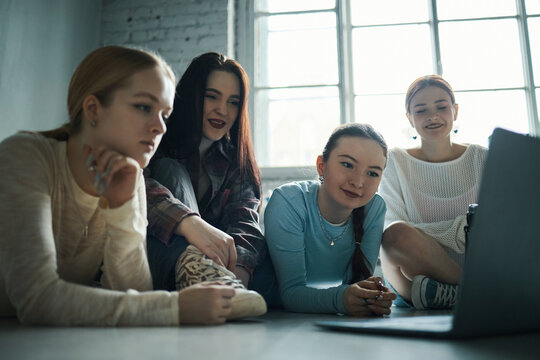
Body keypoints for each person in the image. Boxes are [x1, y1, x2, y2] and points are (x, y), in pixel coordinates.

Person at [0, 45, 237, 326]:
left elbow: (132, 293)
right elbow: (35, 298)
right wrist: (174, 308)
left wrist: (122, 208)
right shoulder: (25, 156)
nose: (160, 127)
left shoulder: (131, 176)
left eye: (164, 114)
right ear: (93, 109)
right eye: (143, 107)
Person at [144, 52, 270, 318]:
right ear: (191, 96)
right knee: (171, 171)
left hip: (217, 266)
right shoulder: (156, 137)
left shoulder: (236, 160)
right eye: (212, 96)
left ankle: (218, 284)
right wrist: (189, 223)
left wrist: (236, 277)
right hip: (152, 256)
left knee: (269, 259)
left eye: (233, 102)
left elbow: (244, 220)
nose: (222, 110)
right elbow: (133, 187)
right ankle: (201, 274)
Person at [378, 75, 488, 310]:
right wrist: (463, 229)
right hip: (412, 279)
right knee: (396, 235)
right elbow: (392, 229)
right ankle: (475, 294)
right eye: (421, 110)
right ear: (409, 118)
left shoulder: (481, 157)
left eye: (441, 107)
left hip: (477, 270)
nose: (433, 116)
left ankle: (458, 294)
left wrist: (456, 230)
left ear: (455, 111)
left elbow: (496, 226)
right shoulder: (395, 160)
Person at [264, 123, 397, 316]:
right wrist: (343, 299)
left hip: (324, 317)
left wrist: (370, 298)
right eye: (347, 164)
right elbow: (290, 293)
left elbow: (356, 286)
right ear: (321, 165)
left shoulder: (374, 208)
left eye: (372, 173)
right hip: (271, 317)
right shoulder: (289, 201)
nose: (358, 182)